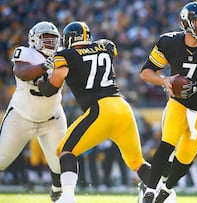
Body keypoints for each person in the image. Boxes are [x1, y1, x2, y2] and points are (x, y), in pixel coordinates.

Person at [36, 21, 151, 203]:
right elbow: (108, 50)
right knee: (137, 162)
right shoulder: (105, 46)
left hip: (100, 109)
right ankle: (165, 193)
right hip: (122, 107)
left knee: (65, 151)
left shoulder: (66, 55)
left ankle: (67, 197)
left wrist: (41, 82)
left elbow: (52, 87)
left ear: (69, 39)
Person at [139, 1, 197, 202]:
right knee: (167, 144)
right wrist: (164, 80)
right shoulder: (169, 42)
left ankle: (166, 189)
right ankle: (149, 190)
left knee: (186, 157)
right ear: (186, 23)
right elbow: (146, 73)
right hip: (179, 103)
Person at [0, 21, 65, 202]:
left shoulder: (61, 56)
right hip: (21, 117)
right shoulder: (25, 52)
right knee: (1, 159)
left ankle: (58, 190)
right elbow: (22, 73)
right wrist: (46, 66)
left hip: (52, 118)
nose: (51, 43)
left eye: (54, 39)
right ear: (35, 39)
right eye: (46, 38)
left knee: (60, 164)